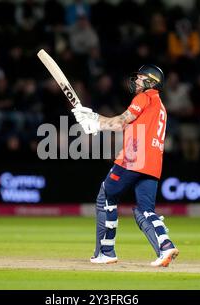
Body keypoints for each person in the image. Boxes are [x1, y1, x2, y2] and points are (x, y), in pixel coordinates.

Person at [72, 65, 179, 267]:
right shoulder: (159, 105)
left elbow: (121, 122)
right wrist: (93, 118)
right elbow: (122, 123)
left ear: (151, 82)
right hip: (154, 162)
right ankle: (166, 245)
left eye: (140, 78)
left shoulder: (144, 97)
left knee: (106, 194)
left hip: (133, 158)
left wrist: (96, 123)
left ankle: (106, 251)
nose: (136, 81)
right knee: (145, 210)